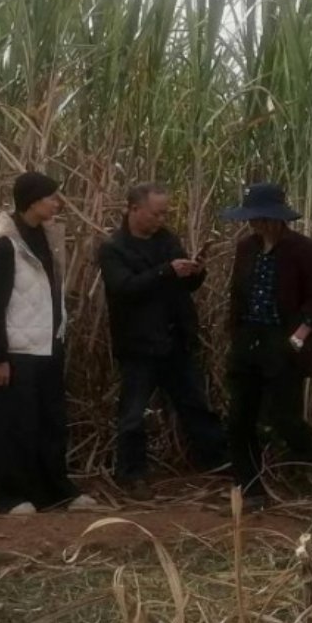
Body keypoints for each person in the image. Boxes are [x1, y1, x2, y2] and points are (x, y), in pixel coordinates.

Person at [0, 171, 95, 515]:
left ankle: (54, 490)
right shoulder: (4, 244)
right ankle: (10, 495)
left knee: (50, 422)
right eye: (51, 197)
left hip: (47, 344)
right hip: (15, 350)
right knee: (13, 424)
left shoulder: (45, 237)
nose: (57, 203)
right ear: (32, 200)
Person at [98, 182, 226, 491]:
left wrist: (195, 271)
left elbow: (185, 286)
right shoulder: (114, 248)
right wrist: (166, 271)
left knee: (196, 406)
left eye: (164, 214)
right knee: (133, 414)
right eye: (156, 214)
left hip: (175, 340)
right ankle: (132, 474)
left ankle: (219, 462)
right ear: (134, 209)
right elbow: (124, 288)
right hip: (139, 344)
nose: (161, 220)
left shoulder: (167, 240)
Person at [222, 182, 312, 508]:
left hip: (284, 340)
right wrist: (236, 335)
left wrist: (299, 336)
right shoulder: (247, 248)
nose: (256, 223)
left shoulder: (306, 251)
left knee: (284, 417)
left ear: (277, 218)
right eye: (253, 218)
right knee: (239, 417)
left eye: (262, 217)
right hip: (249, 338)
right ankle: (250, 489)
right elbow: (237, 294)